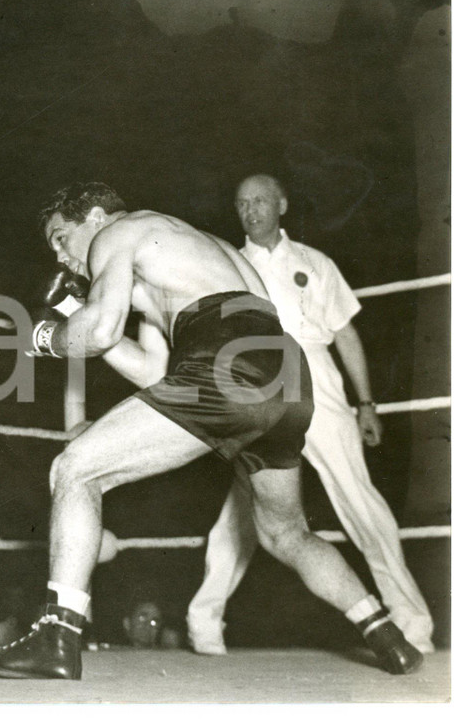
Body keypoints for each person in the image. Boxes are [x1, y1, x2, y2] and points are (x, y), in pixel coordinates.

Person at [0, 182, 422, 679]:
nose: (60, 257)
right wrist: (78, 312)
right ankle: (387, 635)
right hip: (286, 375)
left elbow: (100, 331)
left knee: (75, 468)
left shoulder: (118, 232)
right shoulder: (192, 252)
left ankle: (57, 637)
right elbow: (155, 373)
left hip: (225, 360)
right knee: (285, 533)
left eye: (61, 238)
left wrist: (43, 337)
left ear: (95, 216)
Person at [186, 173, 434, 655]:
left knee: (358, 497)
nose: (251, 210)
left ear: (282, 204)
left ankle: (412, 620)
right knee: (245, 506)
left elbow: (345, 335)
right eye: (242, 203)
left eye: (260, 200)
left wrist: (366, 403)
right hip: (255, 381)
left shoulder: (316, 263)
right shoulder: (227, 265)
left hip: (318, 377)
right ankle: (204, 620)